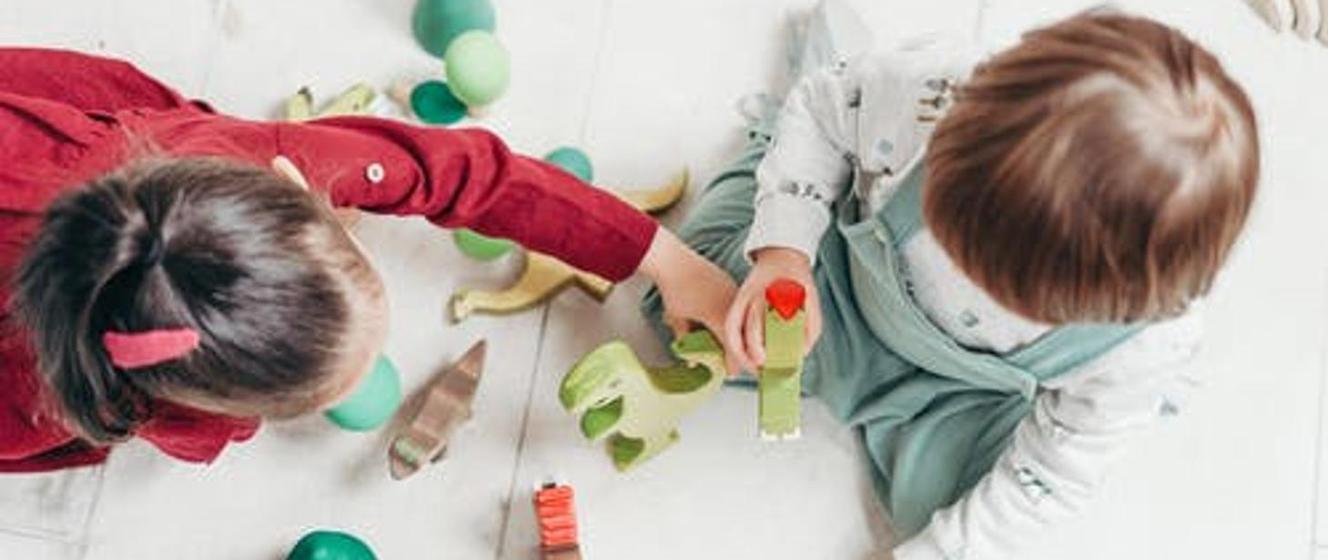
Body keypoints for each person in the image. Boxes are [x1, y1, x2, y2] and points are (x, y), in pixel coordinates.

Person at [644, 4, 1259, 558]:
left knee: (976, 522)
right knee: (689, 309)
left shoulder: (1146, 344)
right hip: (840, 288)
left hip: (963, 397)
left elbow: (1051, 475)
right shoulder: (930, 94)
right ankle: (779, 155)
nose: (968, 276)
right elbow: (822, 112)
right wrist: (784, 256)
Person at [0, 48, 737, 472]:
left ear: (293, 186)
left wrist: (664, 259)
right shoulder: (53, 406)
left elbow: (464, 172)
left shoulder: (254, 155)